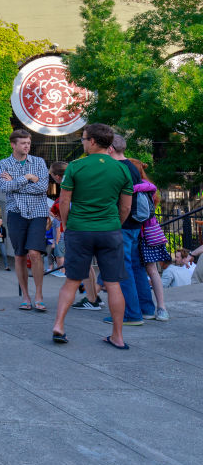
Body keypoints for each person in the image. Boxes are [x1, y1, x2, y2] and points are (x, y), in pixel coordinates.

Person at [50, 123, 133, 348]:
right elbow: (125, 207)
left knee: (71, 281)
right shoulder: (122, 169)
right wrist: (115, 223)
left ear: (93, 141)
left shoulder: (75, 167)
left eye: (84, 139)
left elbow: (64, 201)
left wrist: (66, 225)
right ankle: (118, 336)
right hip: (110, 230)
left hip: (80, 229)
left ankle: (59, 324)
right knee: (113, 283)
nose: (83, 143)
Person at [0, 129, 50, 312]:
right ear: (13, 144)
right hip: (16, 213)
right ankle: (25, 296)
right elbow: (4, 187)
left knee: (35, 253)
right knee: (19, 255)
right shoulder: (3, 164)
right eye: (22, 143)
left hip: (38, 212)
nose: (26, 146)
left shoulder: (39, 162)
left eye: (28, 143)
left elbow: (43, 187)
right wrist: (27, 178)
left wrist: (16, 183)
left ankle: (39, 295)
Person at [105, 135, 151, 325]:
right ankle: (146, 309)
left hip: (123, 223)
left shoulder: (117, 168)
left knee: (123, 270)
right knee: (136, 267)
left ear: (110, 149)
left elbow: (120, 201)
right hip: (134, 224)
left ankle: (132, 314)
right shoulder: (132, 166)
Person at [129, 157, 169, 321]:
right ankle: (161, 308)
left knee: (135, 269)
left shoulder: (134, 188)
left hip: (139, 233)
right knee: (152, 270)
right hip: (151, 233)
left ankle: (145, 307)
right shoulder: (149, 188)